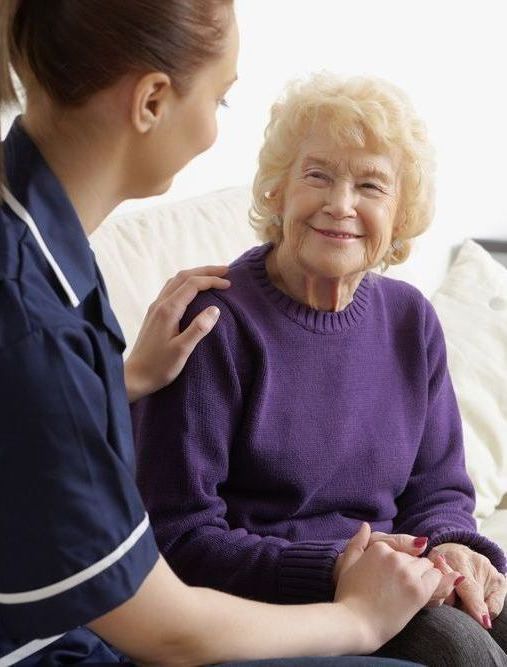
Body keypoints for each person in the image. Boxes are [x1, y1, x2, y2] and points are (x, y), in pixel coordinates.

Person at [0, 2, 452, 666]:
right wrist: (356, 615)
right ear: (153, 100)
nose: (215, 129)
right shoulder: (38, 314)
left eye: (370, 186)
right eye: (222, 98)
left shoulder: (54, 270)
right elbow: (166, 625)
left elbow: (29, 413)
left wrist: (119, 378)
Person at [133, 72, 507, 665]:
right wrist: (335, 567)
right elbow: (176, 538)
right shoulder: (214, 324)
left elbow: (438, 488)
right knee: (463, 653)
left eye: (370, 185)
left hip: (397, 574)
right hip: (270, 603)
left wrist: (457, 549)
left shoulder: (411, 321)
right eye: (318, 175)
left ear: (400, 213)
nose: (341, 204)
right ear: (276, 191)